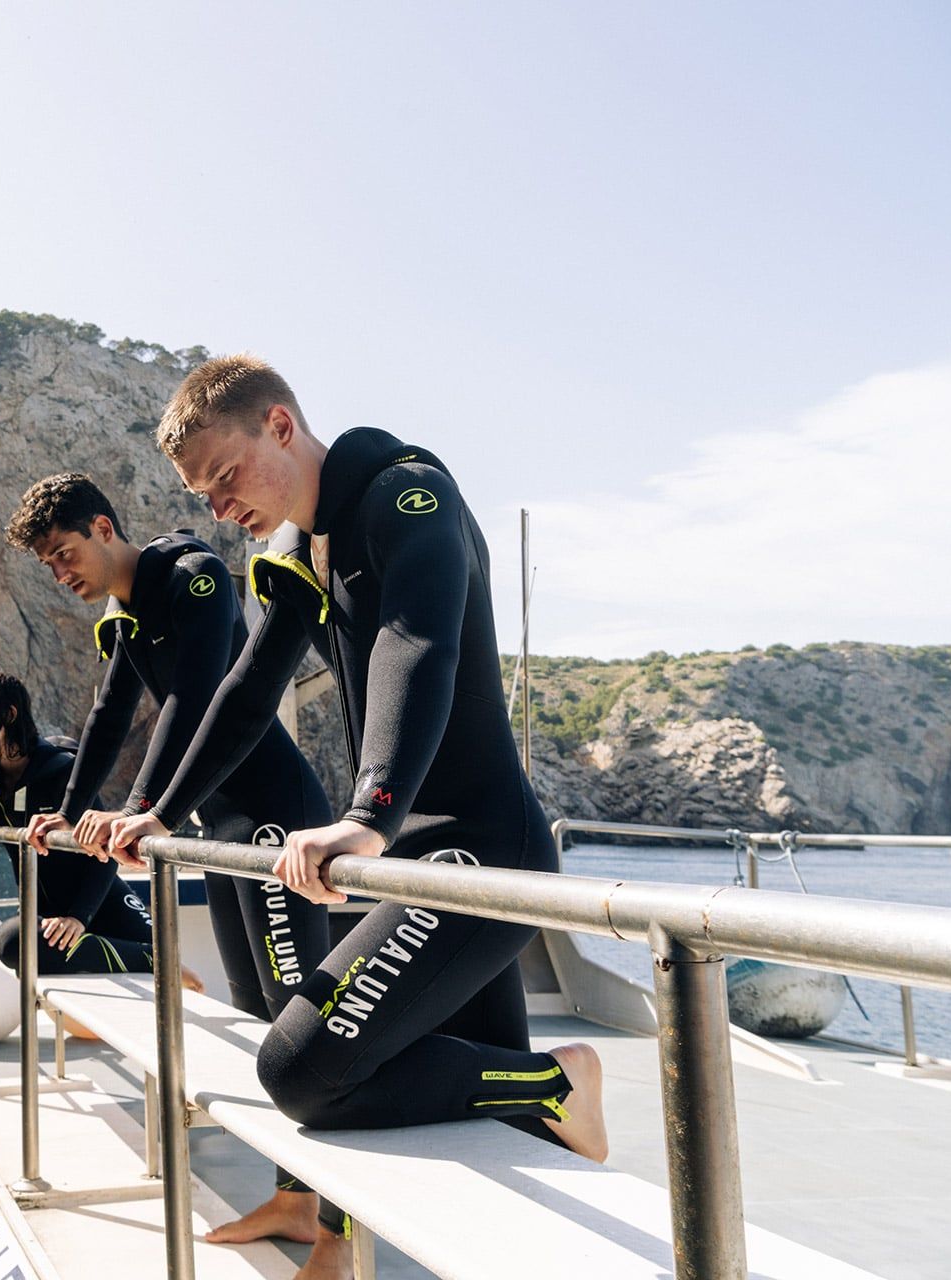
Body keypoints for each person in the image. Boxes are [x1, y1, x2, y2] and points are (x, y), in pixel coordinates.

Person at [107, 355, 608, 1280]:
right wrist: (157, 811)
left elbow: (420, 639)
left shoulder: (406, 495)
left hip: (481, 853)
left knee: (301, 1069)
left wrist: (368, 812)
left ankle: (556, 1081)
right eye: (200, 494)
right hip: (425, 861)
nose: (221, 506)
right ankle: (343, 1248)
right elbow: (248, 696)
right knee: (479, 1123)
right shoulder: (306, 551)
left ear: (282, 427)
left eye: (227, 475)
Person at [5, 472, 345, 1247]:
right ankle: (295, 1202)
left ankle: (339, 1239)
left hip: (272, 826)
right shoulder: (130, 617)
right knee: (261, 1021)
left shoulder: (192, 580)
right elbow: (109, 714)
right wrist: (65, 811)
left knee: (306, 1032)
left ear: (102, 526)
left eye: (64, 554)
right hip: (219, 831)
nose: (62, 574)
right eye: (48, 567)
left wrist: (138, 810)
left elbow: (194, 701)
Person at [0, 670, 157, 977]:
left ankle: (157, 962)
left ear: (9, 714)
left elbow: (104, 853)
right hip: (48, 918)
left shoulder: (60, 770)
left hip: (97, 907)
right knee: (15, 944)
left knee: (14, 941)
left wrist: (77, 918)